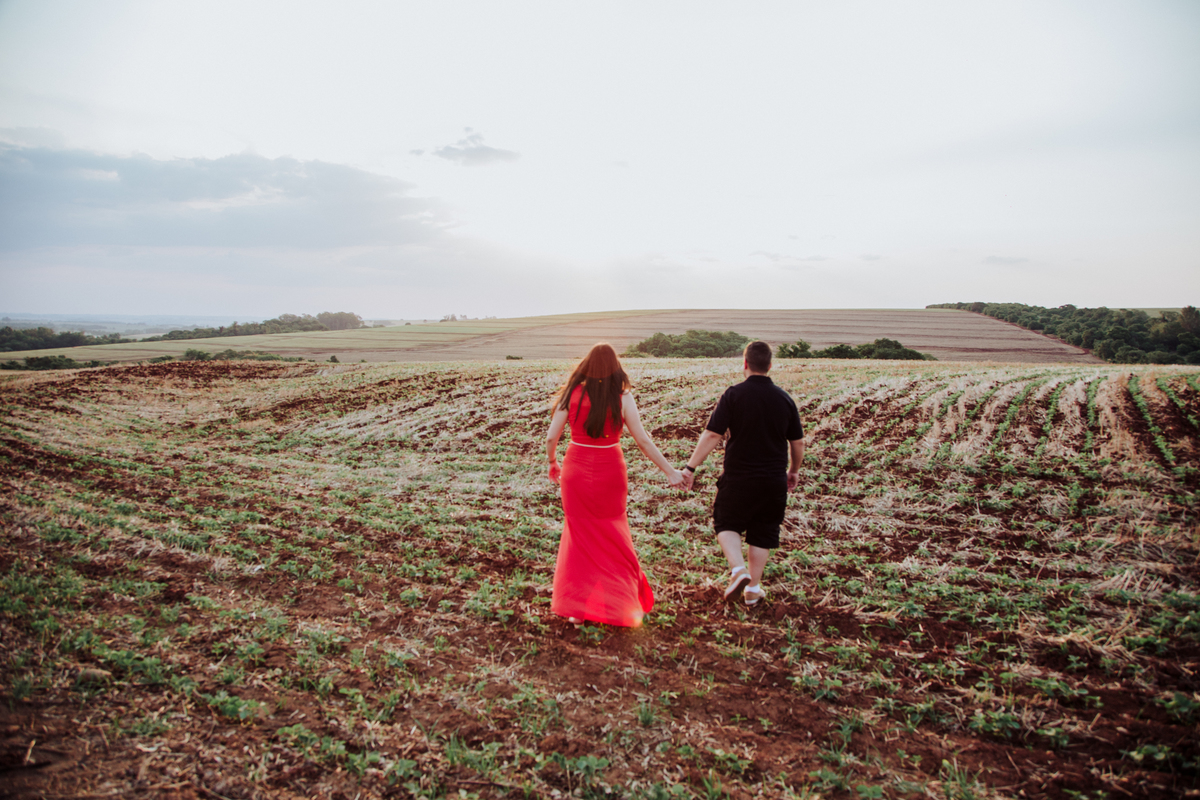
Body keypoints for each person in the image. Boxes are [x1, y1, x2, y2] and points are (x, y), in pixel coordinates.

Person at [545, 343, 685, 627]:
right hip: (611, 470)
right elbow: (642, 440)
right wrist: (670, 471)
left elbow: (551, 437)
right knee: (613, 531)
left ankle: (577, 609)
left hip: (575, 469)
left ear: (586, 365)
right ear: (615, 367)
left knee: (579, 535)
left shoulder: (571, 394)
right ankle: (621, 603)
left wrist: (552, 461)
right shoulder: (622, 397)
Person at [681, 340, 804, 606]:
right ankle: (753, 590)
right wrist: (793, 471)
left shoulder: (734, 395)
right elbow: (798, 442)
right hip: (773, 480)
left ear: (745, 363)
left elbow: (712, 434)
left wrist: (690, 468)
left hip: (739, 477)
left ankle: (738, 570)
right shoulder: (784, 399)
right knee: (764, 530)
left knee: (726, 523)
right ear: (770, 365)